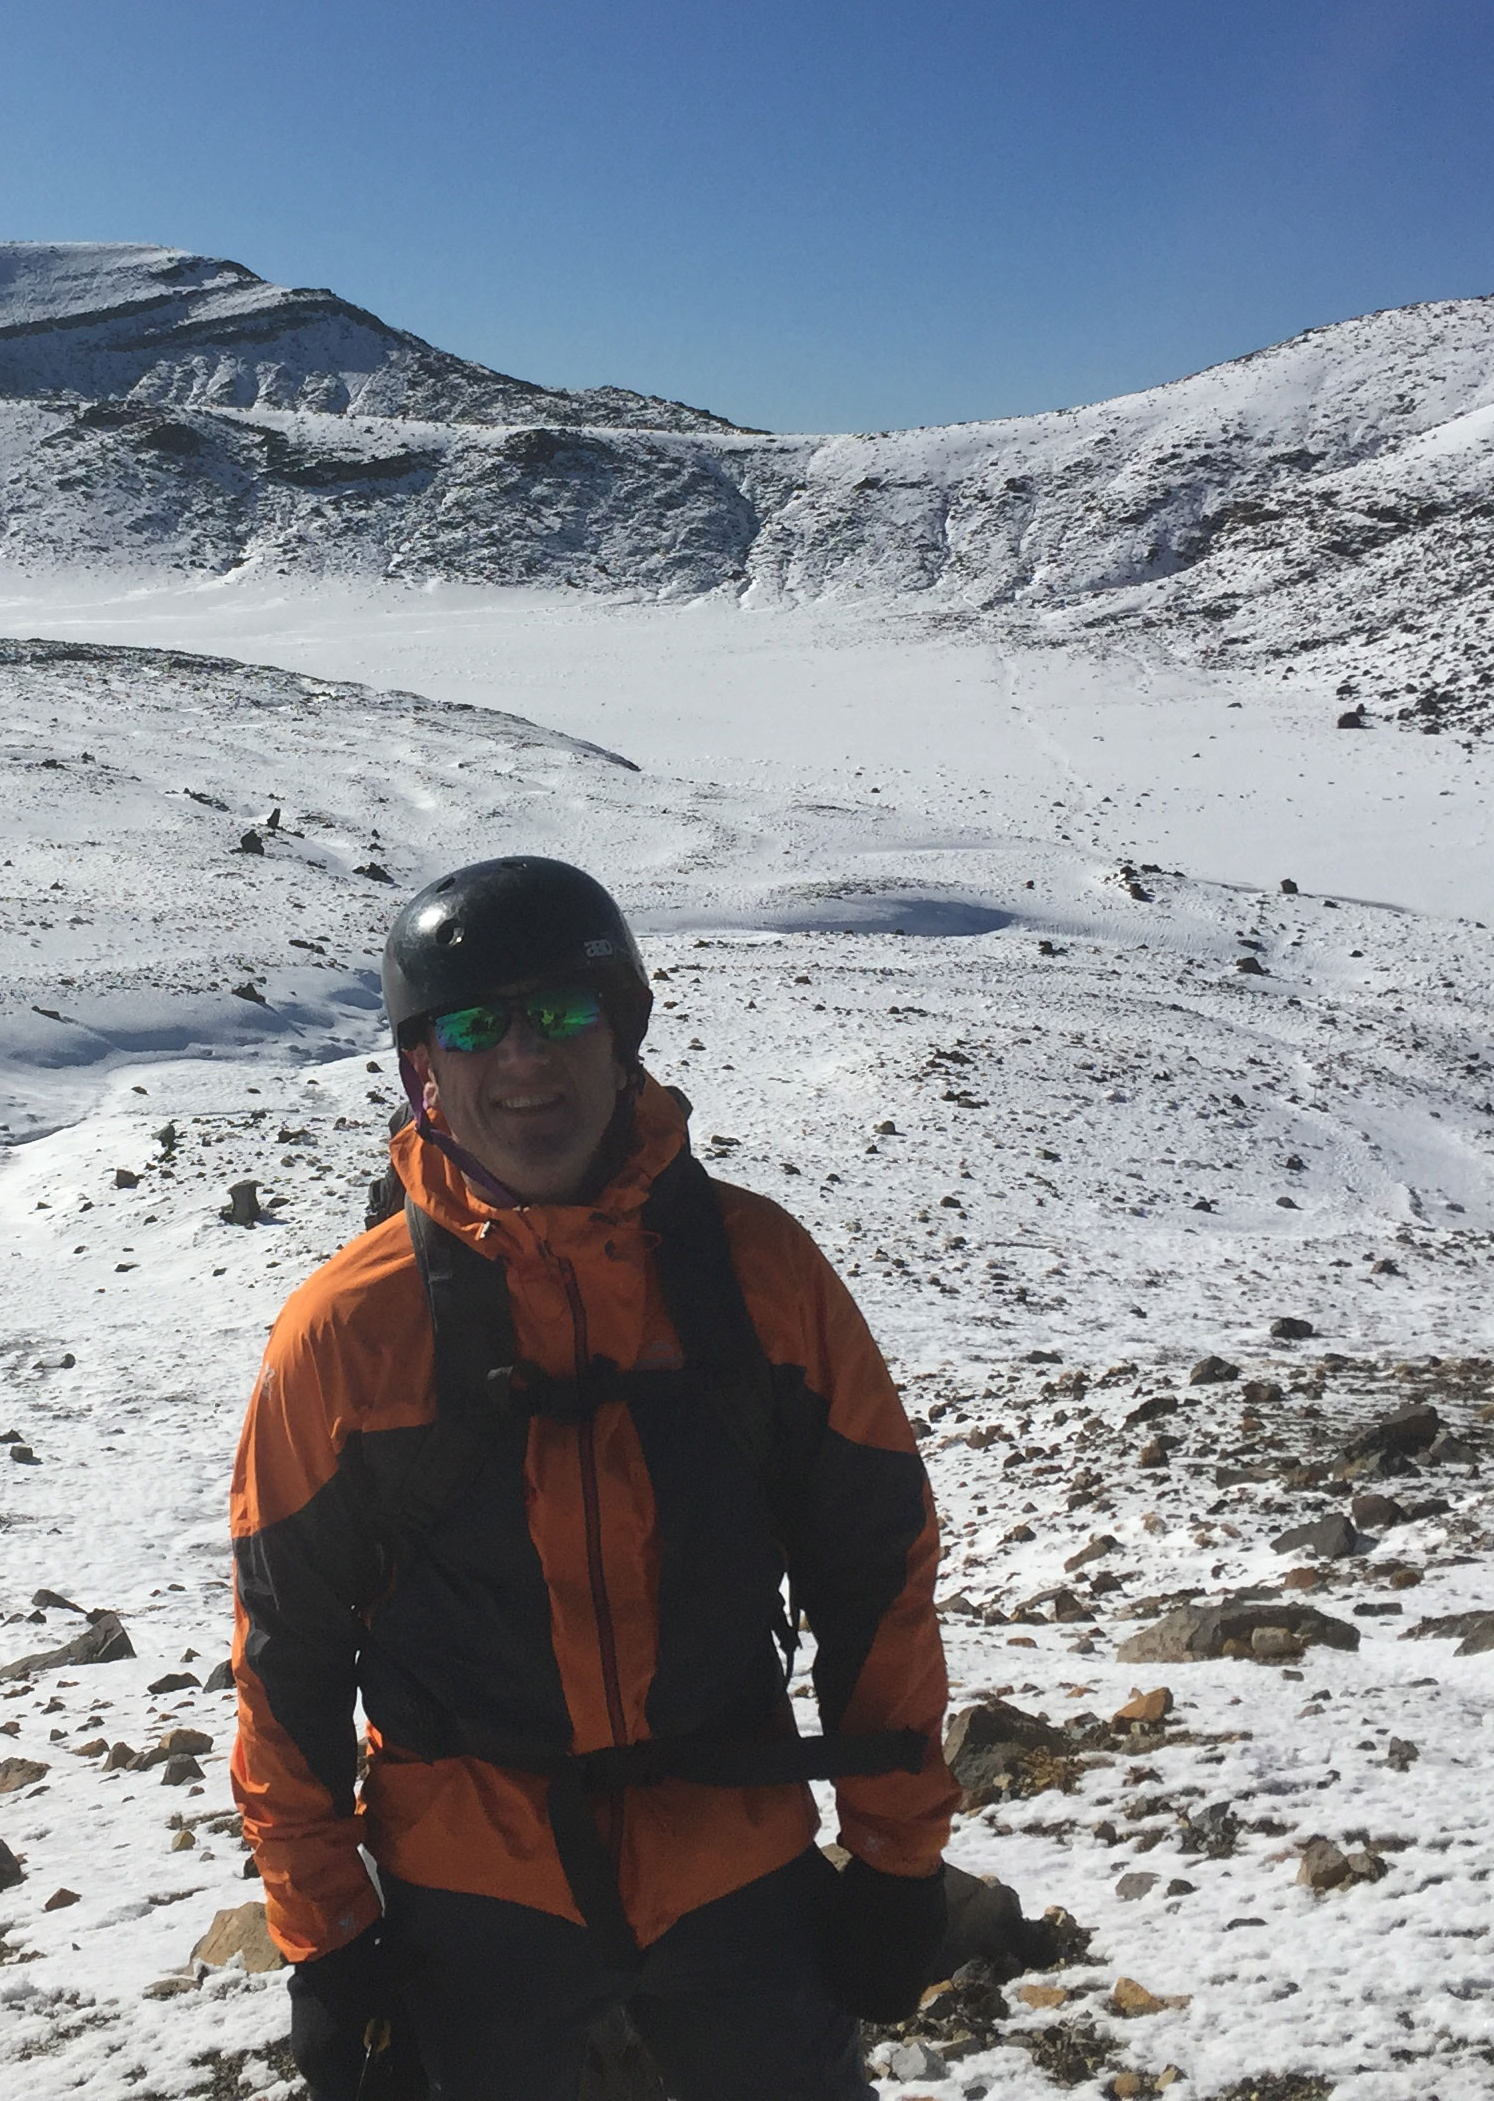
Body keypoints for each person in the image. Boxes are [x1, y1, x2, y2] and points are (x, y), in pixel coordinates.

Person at [226, 855, 954, 2100]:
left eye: (562, 1011)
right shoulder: (347, 1332)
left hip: (740, 1877)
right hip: (473, 1908)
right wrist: (328, 1938)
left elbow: (874, 1568)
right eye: (473, 1023)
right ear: (423, 1073)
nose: (523, 1057)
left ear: (623, 1036)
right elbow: (289, 1652)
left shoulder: (759, 1274)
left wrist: (900, 1859)